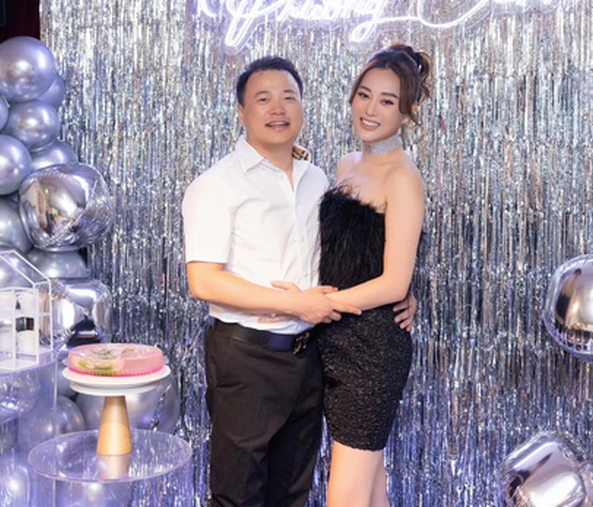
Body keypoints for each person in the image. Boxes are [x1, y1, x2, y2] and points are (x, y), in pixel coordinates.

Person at [182, 56, 415, 507]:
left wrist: (401, 291)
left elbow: (355, 250)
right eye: (263, 99)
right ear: (241, 112)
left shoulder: (317, 178)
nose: (278, 108)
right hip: (248, 359)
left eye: (288, 97)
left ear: (302, 107)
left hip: (312, 358)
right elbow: (204, 283)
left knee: (292, 493)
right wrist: (296, 305)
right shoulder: (216, 185)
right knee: (239, 496)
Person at [316, 44, 431, 507]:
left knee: (345, 494)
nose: (370, 109)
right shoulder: (347, 165)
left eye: (387, 101)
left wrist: (318, 304)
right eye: (364, 95)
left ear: (407, 112)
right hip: (332, 341)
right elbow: (347, 254)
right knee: (371, 488)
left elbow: (394, 284)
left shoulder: (403, 178)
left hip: (371, 349)